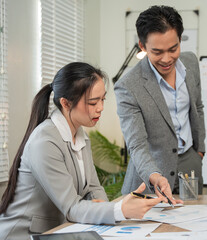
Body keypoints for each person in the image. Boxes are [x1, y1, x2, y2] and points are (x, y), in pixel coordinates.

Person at [0, 62, 164, 240]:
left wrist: (106, 208)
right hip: (24, 235)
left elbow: (93, 188)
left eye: (103, 99)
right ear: (66, 103)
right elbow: (71, 207)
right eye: (93, 102)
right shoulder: (45, 142)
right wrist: (120, 209)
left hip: (58, 231)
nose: (100, 108)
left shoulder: (80, 135)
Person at [114, 5, 205, 200]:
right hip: (150, 174)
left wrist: (200, 150)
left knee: (195, 225)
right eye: (157, 52)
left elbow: (197, 106)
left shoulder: (190, 63)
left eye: (173, 49)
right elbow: (136, 145)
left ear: (180, 39)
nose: (166, 59)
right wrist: (153, 175)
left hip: (190, 163)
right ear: (142, 46)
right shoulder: (128, 86)